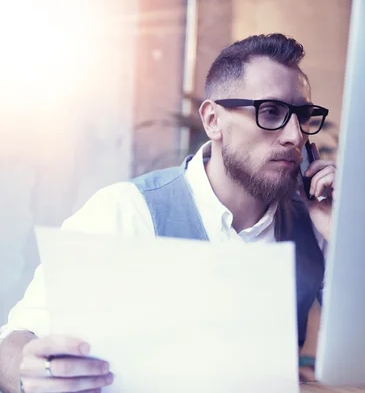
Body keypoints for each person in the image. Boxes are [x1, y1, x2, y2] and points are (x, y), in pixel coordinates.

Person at [0, 33, 336, 393]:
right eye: (270, 112)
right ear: (212, 120)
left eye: (302, 116)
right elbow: (15, 342)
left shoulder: (317, 223)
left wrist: (342, 236)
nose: (295, 136)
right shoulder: (126, 211)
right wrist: (25, 371)